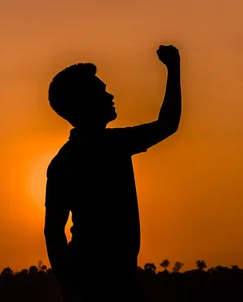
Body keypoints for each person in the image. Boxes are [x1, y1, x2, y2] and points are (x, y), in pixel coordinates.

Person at [44, 45, 182, 301]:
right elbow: (168, 123)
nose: (110, 95)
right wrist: (173, 68)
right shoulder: (109, 146)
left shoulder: (66, 160)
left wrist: (69, 287)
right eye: (102, 91)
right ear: (86, 103)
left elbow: (53, 232)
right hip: (100, 283)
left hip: (110, 279)